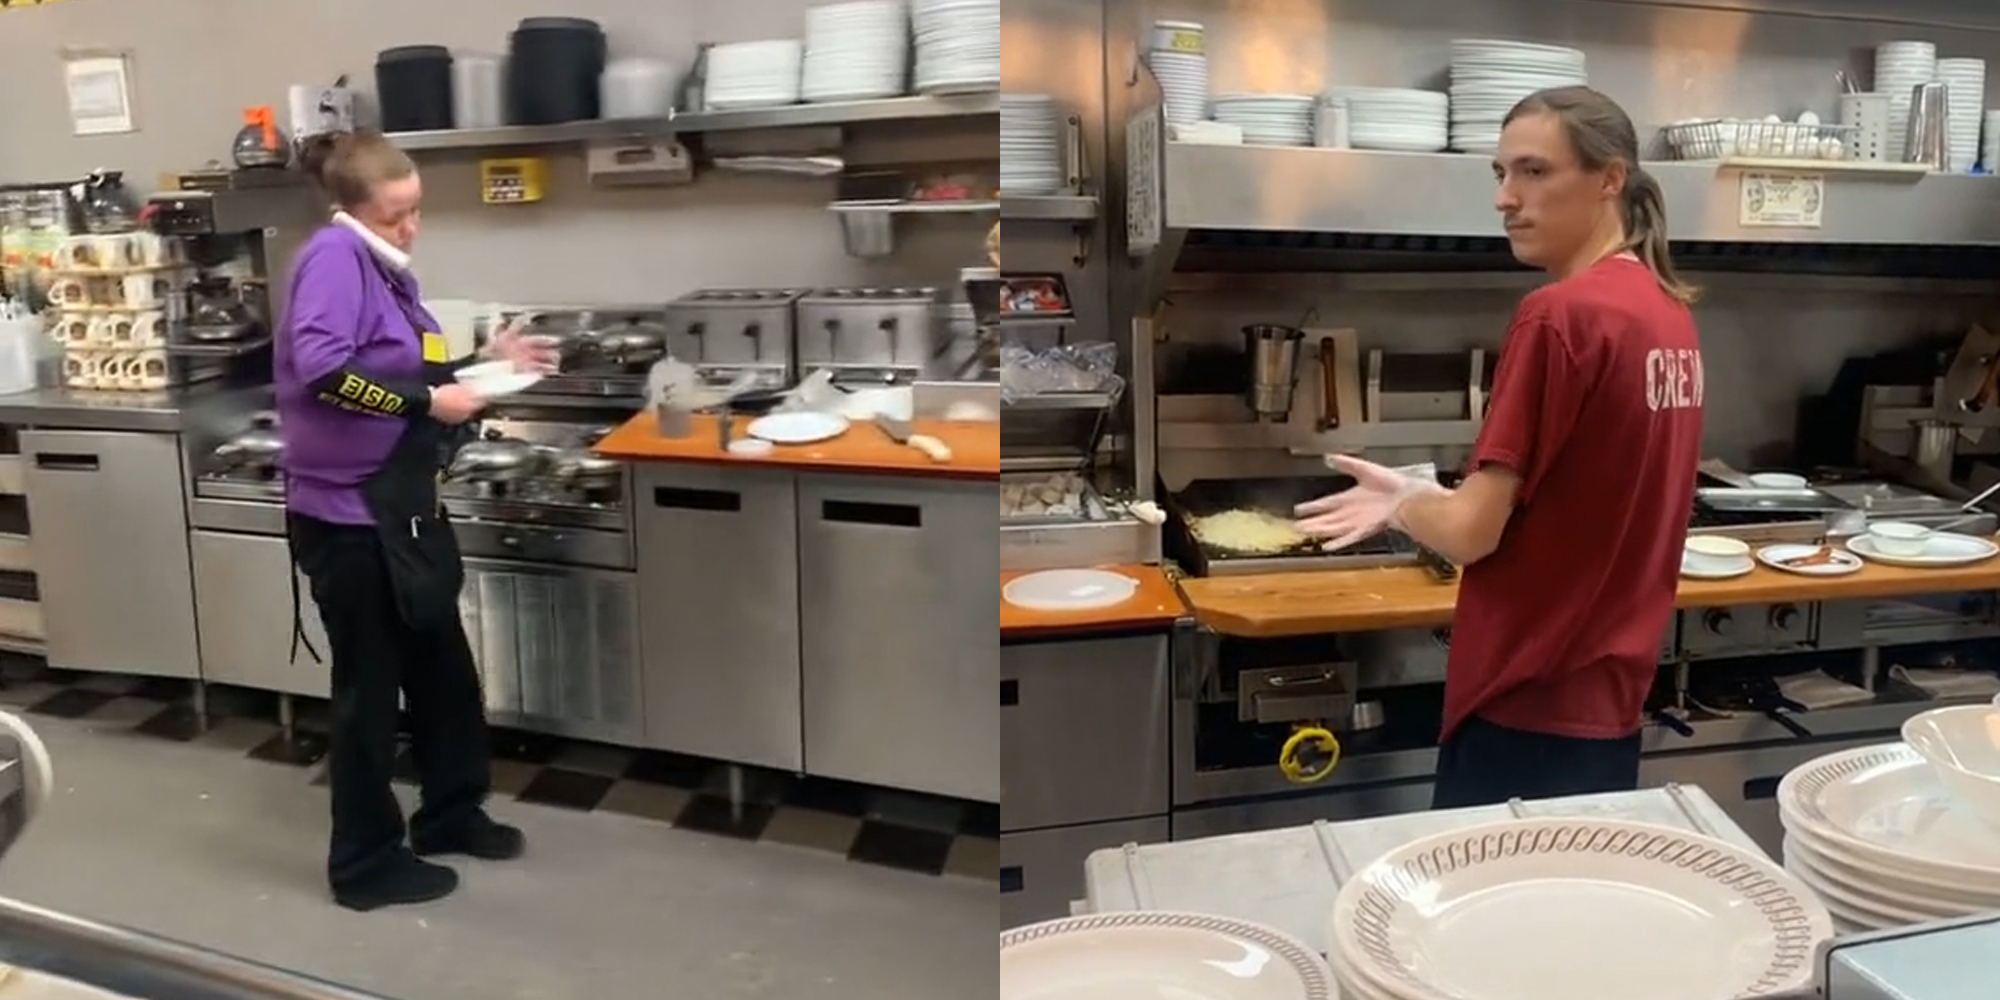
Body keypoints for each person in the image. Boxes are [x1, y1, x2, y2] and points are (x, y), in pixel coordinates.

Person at [1293, 86, 1705, 809]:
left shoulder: (1556, 318)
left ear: (1609, 179)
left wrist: (1404, 502)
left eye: (1534, 172)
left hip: (1528, 701)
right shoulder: (1666, 311)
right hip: (1608, 702)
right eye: (1499, 174)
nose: (1506, 199)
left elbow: (1469, 534)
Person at [276, 130, 556, 910]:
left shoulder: (384, 271)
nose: (411, 228)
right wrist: (431, 399)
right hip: (349, 514)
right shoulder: (333, 259)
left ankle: (451, 814)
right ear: (355, 209)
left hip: (403, 503)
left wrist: (477, 364)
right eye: (396, 215)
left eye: (417, 211)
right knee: (370, 693)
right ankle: (365, 865)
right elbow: (326, 368)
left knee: (443, 673)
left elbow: (400, 365)